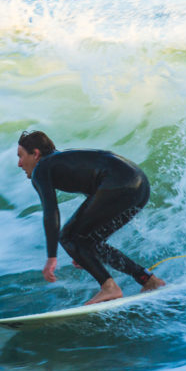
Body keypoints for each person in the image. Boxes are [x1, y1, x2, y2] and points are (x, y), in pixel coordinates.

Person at [16, 130, 166, 305]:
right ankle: (149, 280)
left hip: (120, 182)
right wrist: (83, 252)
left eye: (21, 156)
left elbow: (51, 211)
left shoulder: (41, 168)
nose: (19, 164)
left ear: (35, 154)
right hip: (140, 185)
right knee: (88, 242)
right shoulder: (63, 161)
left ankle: (109, 288)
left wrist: (51, 257)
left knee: (67, 236)